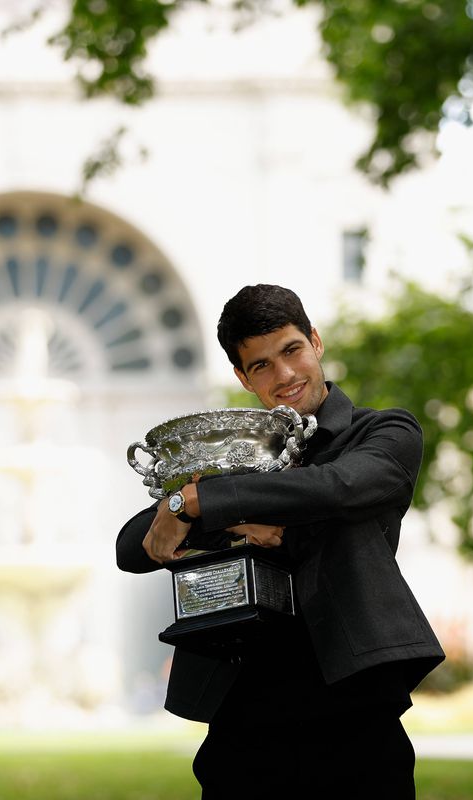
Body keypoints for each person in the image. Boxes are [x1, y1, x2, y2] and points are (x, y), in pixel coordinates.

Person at [116, 284, 444, 798]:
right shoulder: (235, 457)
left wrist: (206, 503)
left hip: (355, 719)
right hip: (242, 728)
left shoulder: (383, 432)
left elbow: (341, 487)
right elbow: (132, 547)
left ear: (315, 341)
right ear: (243, 379)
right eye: (262, 365)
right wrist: (191, 506)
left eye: (292, 350)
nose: (285, 375)